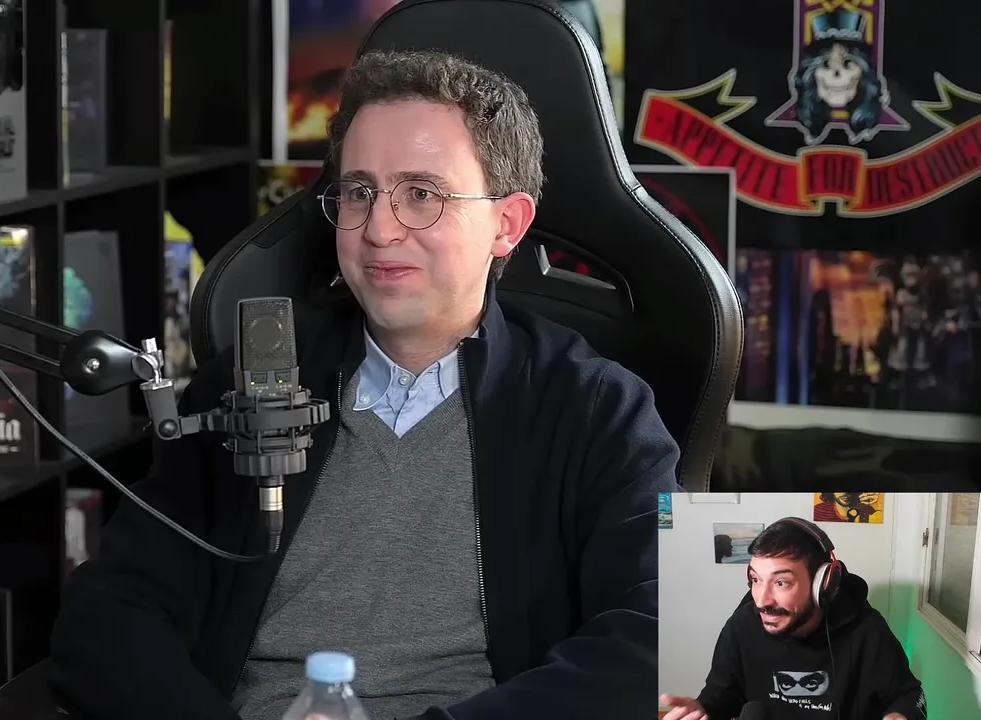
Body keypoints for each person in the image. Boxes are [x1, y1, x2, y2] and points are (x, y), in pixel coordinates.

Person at [50, 49, 680, 720]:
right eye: (357, 192)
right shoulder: (242, 388)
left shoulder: (599, 408)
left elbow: (667, 632)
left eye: (421, 195)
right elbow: (110, 612)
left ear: (507, 224)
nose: (378, 230)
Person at [661, 518, 926, 720]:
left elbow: (910, 696)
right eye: (755, 580)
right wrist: (703, 709)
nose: (762, 600)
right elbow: (721, 695)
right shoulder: (742, 626)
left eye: (781, 582)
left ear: (823, 584)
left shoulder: (866, 630)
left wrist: (901, 715)